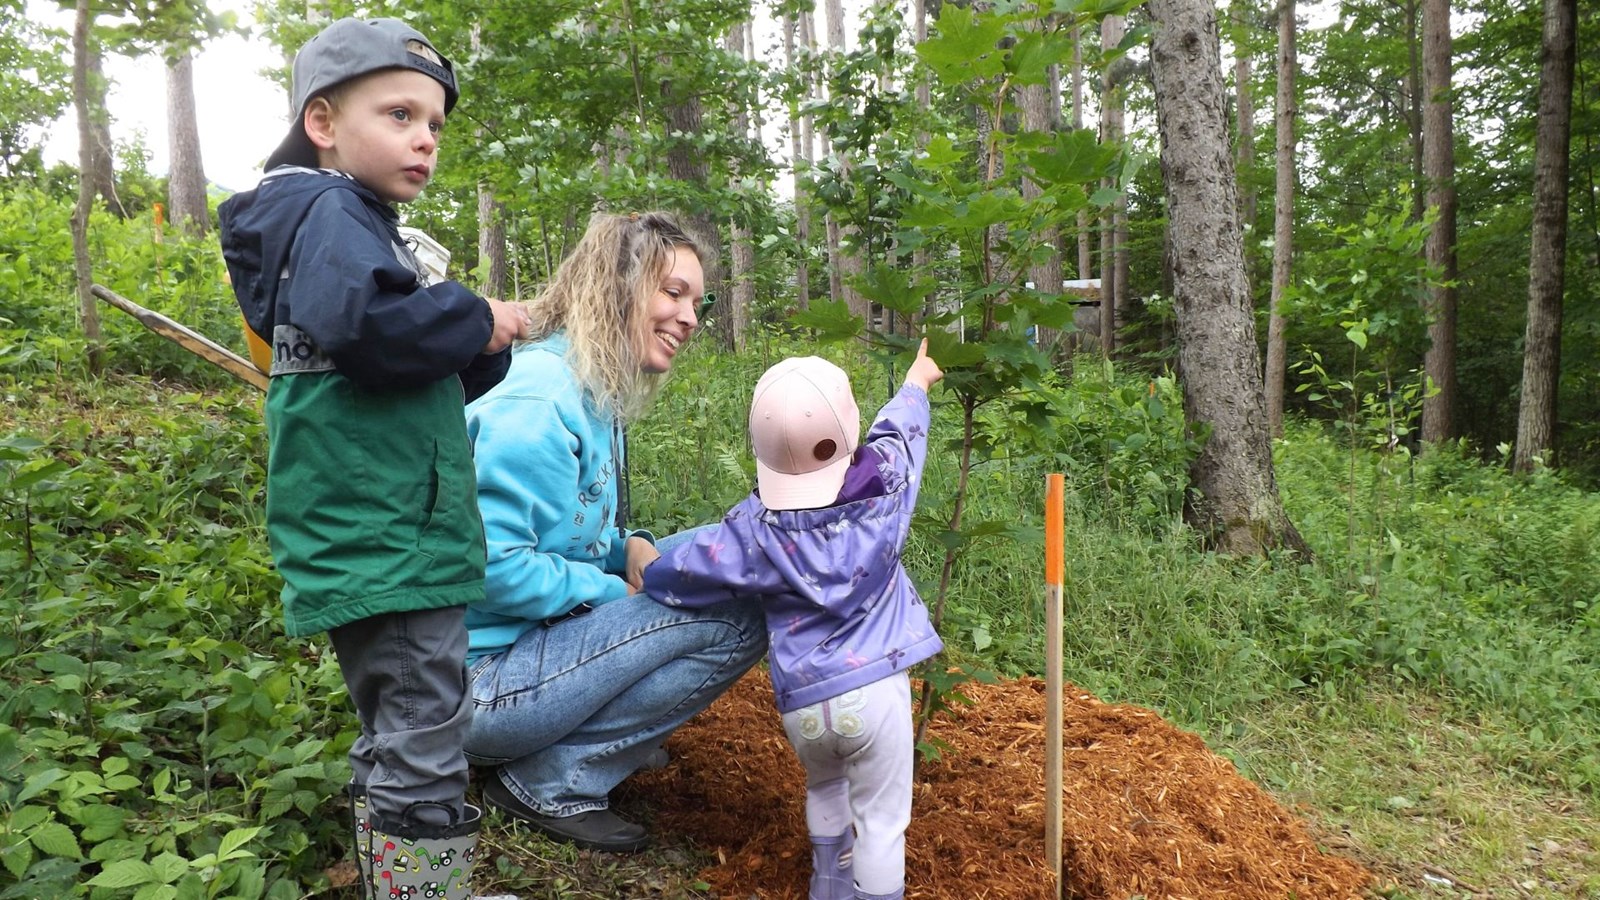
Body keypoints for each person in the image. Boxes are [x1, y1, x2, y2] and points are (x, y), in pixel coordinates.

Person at [217, 17, 528, 900]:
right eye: (399, 114)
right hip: (388, 539)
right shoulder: (331, 213)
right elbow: (368, 330)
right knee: (425, 731)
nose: (424, 138)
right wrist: (473, 315)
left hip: (389, 530)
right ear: (322, 122)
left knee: (400, 726)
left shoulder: (346, 226)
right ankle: (422, 892)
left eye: (434, 124)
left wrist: (480, 345)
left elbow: (392, 367)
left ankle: (396, 882)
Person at [463, 211, 767, 853]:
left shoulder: (591, 388)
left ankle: (590, 734)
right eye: (673, 292)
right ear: (616, 287)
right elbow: (492, 568)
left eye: (697, 302)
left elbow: (568, 531)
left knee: (738, 553)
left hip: (531, 645)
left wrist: (627, 547)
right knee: (738, 615)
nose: (690, 317)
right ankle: (550, 779)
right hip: (479, 686)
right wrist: (614, 592)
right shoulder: (539, 402)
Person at [642, 342, 946, 900]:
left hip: (805, 704)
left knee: (826, 788)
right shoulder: (887, 488)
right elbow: (901, 434)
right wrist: (916, 382)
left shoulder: (755, 528)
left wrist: (647, 569)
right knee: (882, 823)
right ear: (847, 430)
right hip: (875, 693)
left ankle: (827, 885)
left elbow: (692, 569)